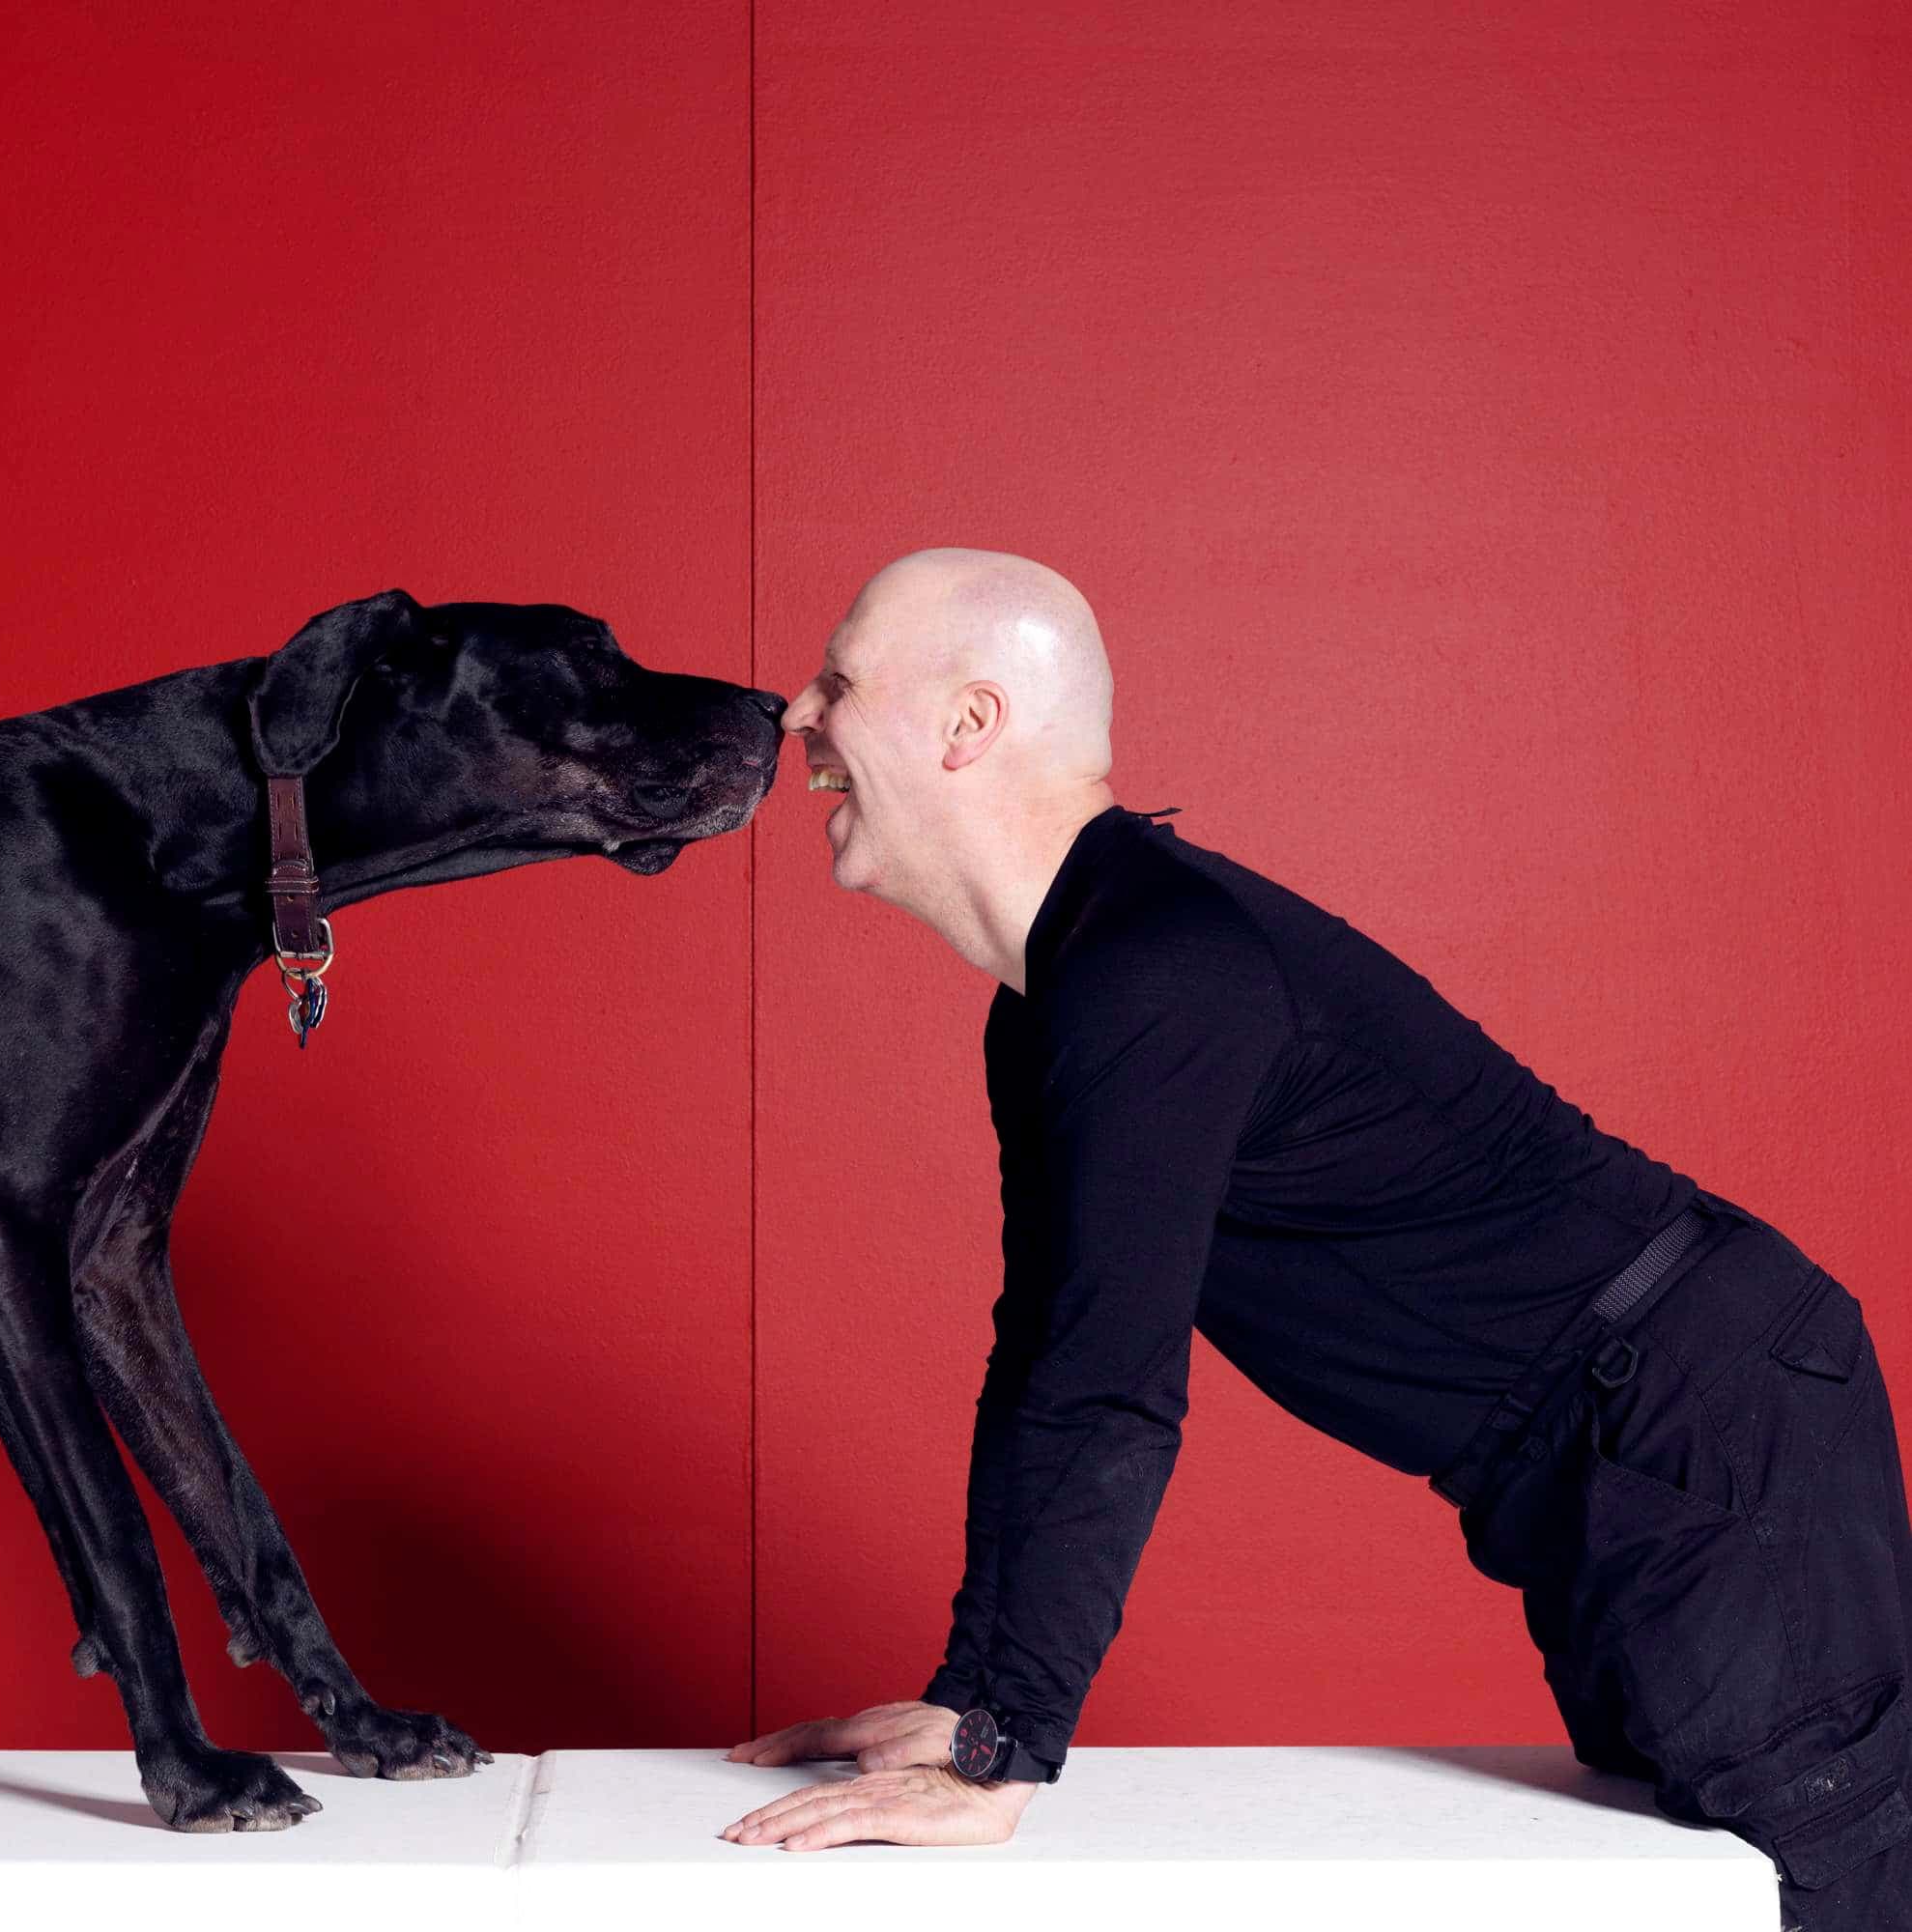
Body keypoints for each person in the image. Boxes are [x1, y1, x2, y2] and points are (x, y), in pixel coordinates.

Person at [719, 548, 1911, 1930]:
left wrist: (1004, 1755)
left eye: (840, 681)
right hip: (1609, 1438)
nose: (798, 714)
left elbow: (1111, 1390)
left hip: (1702, 1415)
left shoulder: (1157, 972)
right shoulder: (1057, 999)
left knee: (1832, 1882)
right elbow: (1051, 1353)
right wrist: (978, 1702)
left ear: (965, 725)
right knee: (1702, 1885)